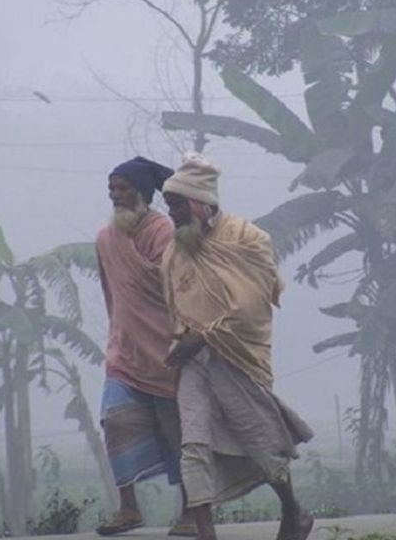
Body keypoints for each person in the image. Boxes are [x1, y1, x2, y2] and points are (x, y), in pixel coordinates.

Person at [160, 153, 315, 540]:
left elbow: (251, 303)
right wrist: (184, 341)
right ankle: (206, 534)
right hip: (193, 362)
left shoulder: (247, 237)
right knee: (193, 444)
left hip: (238, 356)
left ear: (200, 202)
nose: (172, 214)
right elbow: (176, 300)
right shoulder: (175, 250)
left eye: (177, 205)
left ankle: (293, 512)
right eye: (169, 206)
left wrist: (204, 336)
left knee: (260, 440)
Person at [94, 156, 195, 537]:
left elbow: (177, 289)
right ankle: (129, 509)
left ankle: (191, 511)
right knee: (115, 422)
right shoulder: (105, 239)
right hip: (124, 353)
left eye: (123, 189)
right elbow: (113, 295)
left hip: (165, 353)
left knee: (178, 434)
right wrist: (118, 334)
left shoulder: (162, 232)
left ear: (141, 193)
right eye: (112, 189)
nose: (116, 196)